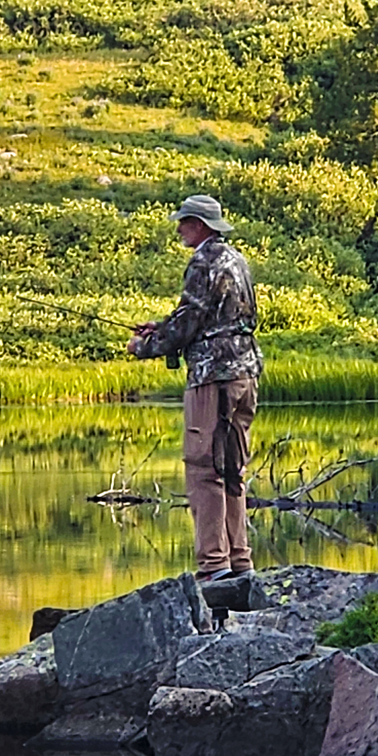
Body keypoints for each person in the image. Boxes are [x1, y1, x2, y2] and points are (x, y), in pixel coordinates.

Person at [127, 195, 264, 582]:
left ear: (200, 225)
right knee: (234, 466)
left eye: (184, 222)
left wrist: (146, 347)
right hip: (245, 372)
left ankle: (213, 565)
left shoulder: (203, 261)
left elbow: (189, 323)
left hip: (211, 376)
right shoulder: (236, 259)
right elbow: (210, 315)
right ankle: (240, 560)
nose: (179, 228)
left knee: (203, 467)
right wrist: (163, 324)